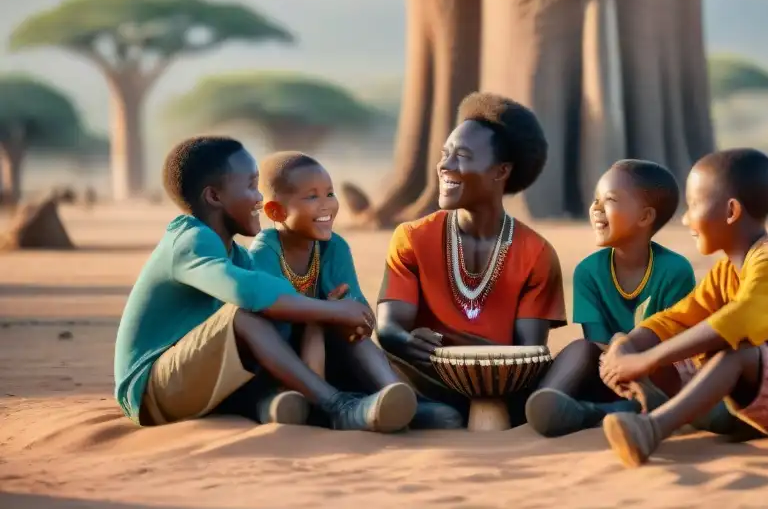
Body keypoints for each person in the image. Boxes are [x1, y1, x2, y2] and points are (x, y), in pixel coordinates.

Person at [113, 136, 417, 433]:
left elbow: (276, 324)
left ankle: (281, 406)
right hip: (150, 392)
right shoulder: (190, 240)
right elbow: (246, 293)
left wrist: (330, 319)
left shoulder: (237, 256)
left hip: (201, 380)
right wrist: (330, 311)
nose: (260, 198)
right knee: (243, 314)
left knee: (281, 325)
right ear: (214, 197)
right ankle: (337, 407)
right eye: (250, 186)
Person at [599, 148, 768, 467]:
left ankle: (651, 428)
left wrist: (646, 361)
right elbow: (679, 318)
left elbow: (738, 321)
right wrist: (629, 346)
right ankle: (675, 408)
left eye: (693, 206)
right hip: (762, 394)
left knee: (738, 351)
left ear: (731, 211)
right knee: (657, 343)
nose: (686, 218)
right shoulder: (727, 271)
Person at [376, 92, 566, 425]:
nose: (445, 166)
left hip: (501, 389)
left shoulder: (536, 253)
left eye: (462, 155)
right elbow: (390, 329)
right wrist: (409, 342)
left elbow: (526, 355)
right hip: (422, 378)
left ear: (501, 171)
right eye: (445, 154)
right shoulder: (412, 238)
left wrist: (451, 345)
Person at [249, 151, 462, 429]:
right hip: (284, 361)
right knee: (316, 328)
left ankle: (405, 401)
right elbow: (273, 316)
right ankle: (311, 405)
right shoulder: (265, 252)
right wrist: (326, 312)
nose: (327, 205)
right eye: (312, 197)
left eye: (330, 193)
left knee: (356, 340)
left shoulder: (334, 247)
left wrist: (349, 318)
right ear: (277, 211)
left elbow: (359, 315)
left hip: (332, 351)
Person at [525, 160, 698, 437]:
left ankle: (598, 412)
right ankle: (549, 401)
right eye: (595, 200)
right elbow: (596, 343)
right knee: (580, 349)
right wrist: (617, 349)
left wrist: (629, 351)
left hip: (653, 374)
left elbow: (674, 344)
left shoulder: (675, 271)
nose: (595, 209)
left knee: (666, 369)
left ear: (645, 217)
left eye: (609, 201)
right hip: (606, 372)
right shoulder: (588, 272)